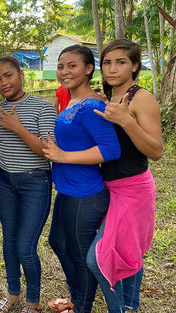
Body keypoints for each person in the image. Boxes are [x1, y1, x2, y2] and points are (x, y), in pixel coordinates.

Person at [41, 45, 121, 313]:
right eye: (61, 66)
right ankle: (76, 297)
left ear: (88, 69)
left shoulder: (92, 107)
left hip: (85, 193)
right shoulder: (73, 101)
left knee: (78, 253)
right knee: (58, 242)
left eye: (72, 65)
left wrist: (63, 156)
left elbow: (110, 149)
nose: (64, 71)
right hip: (68, 189)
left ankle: (81, 307)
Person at [86, 39, 163, 313]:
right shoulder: (108, 99)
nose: (112, 68)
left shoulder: (141, 98)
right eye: (107, 62)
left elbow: (156, 151)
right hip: (109, 187)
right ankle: (130, 306)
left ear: (134, 66)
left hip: (134, 189)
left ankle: (118, 309)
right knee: (125, 254)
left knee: (97, 258)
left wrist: (127, 121)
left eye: (120, 62)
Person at [0, 57, 57, 313]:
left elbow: (47, 150)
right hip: (5, 183)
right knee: (8, 241)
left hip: (35, 182)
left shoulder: (43, 107)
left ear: (21, 74)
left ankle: (33, 299)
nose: (4, 82)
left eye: (8, 75)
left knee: (25, 245)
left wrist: (18, 127)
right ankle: (13, 293)